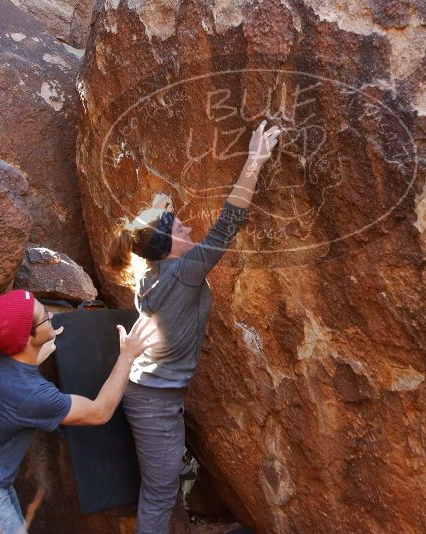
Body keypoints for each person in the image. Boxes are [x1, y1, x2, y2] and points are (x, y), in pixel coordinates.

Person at [106, 120, 280, 533]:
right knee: (159, 495)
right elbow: (227, 223)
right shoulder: (185, 273)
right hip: (156, 404)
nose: (187, 227)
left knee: (160, 489)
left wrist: (158, 208)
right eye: (179, 228)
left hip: (150, 394)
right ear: (168, 246)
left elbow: (149, 234)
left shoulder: (149, 270)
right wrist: (254, 162)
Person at [0, 289, 158, 533]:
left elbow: (20, 366)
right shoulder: (31, 396)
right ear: (26, 339)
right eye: (45, 316)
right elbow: (100, 412)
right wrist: (127, 355)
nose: (52, 314)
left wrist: (45, 340)